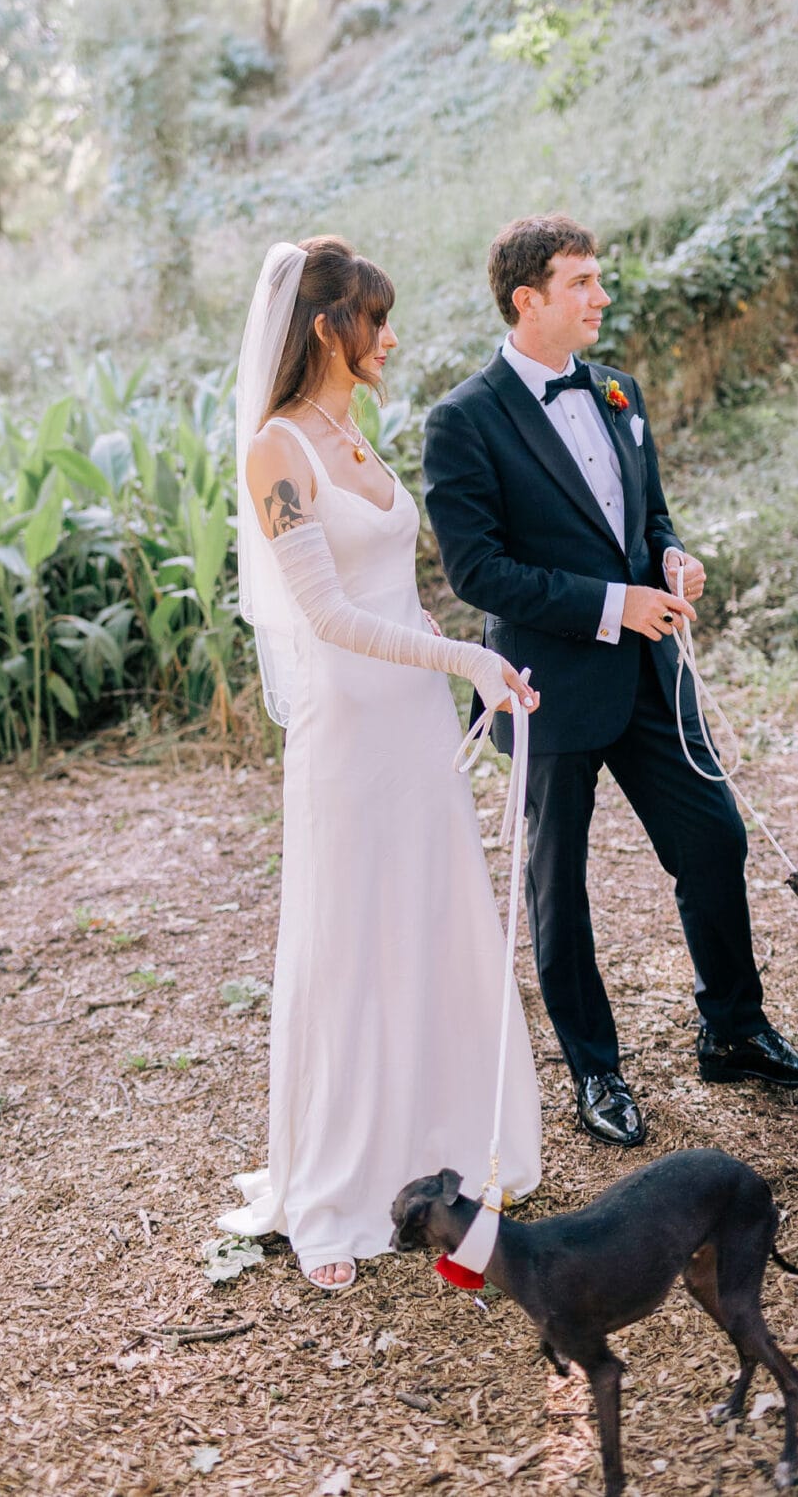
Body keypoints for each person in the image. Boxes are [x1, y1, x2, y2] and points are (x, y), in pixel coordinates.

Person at [422, 213, 798, 1149]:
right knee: (559, 886)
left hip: (651, 675)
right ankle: (595, 1071)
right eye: (581, 282)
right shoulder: (463, 419)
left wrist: (672, 558)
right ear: (528, 299)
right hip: (546, 688)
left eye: (597, 278)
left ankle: (733, 1032)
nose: (601, 296)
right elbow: (478, 572)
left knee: (714, 838)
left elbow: (649, 518)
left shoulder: (619, 390)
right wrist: (615, 603)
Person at [218, 236, 542, 1291]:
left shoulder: (350, 432)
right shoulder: (278, 450)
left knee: (429, 921)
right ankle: (333, 1193)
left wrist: (452, 652)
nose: (390, 338)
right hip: (350, 734)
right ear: (326, 328)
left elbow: (389, 592)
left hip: (411, 719)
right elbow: (326, 613)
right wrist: (465, 658)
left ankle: (440, 1148)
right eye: (375, 319)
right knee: (354, 942)